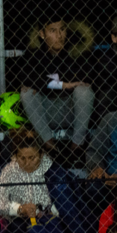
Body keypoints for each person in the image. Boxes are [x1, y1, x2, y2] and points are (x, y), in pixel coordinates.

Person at [18, 13, 95, 158]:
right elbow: (27, 78)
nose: (59, 35)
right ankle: (49, 144)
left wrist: (46, 81)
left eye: (62, 29)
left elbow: (84, 78)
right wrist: (64, 84)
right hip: (47, 111)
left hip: (70, 109)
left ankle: (77, 146)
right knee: (26, 93)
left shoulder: (77, 49)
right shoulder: (34, 54)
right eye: (52, 31)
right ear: (42, 34)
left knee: (84, 91)